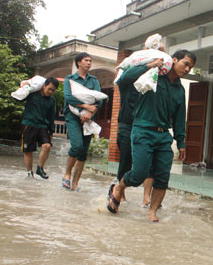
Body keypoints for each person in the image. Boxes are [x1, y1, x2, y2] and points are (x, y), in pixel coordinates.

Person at [107, 49, 196, 222]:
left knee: (162, 177)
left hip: (163, 137)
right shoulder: (152, 75)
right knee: (139, 173)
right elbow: (124, 79)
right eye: (185, 64)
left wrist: (181, 142)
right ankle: (118, 188)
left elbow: (179, 117)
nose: (187, 69)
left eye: (190, 67)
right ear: (174, 60)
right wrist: (151, 64)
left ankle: (152, 212)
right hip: (143, 130)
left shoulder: (179, 89)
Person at [115, 41, 166, 206]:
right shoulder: (129, 80)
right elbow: (125, 78)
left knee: (150, 162)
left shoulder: (156, 81)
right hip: (128, 125)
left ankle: (147, 197)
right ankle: (119, 192)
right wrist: (150, 64)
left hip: (147, 127)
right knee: (126, 160)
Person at [62, 52, 102, 191]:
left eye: (90, 61)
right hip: (73, 116)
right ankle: (66, 174)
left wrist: (90, 112)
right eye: (86, 60)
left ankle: (75, 183)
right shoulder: (70, 79)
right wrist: (86, 106)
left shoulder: (93, 80)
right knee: (77, 146)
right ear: (79, 62)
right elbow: (68, 97)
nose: (89, 63)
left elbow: (99, 99)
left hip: (89, 117)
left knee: (83, 152)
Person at [20, 77, 59, 179]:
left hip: (43, 126)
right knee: (28, 150)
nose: (50, 92)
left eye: (53, 90)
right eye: (49, 89)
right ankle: (29, 173)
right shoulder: (32, 94)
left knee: (47, 146)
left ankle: (40, 168)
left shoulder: (52, 100)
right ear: (44, 86)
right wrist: (25, 85)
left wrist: (51, 132)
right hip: (29, 124)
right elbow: (19, 97)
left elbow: (51, 116)